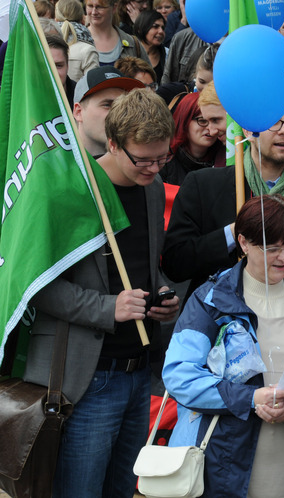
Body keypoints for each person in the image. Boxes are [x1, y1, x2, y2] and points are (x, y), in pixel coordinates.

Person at [23, 88, 179, 498]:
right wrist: (108, 308)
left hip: (139, 371)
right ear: (112, 143)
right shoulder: (71, 190)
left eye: (162, 158)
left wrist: (160, 293)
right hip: (87, 377)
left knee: (123, 489)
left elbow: (142, 264)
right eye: (142, 159)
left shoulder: (151, 188)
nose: (153, 168)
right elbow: (36, 286)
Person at [163, 195, 284, 498]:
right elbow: (179, 376)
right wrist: (251, 398)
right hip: (219, 467)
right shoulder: (210, 300)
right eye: (271, 248)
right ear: (243, 242)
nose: (283, 257)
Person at [163, 101, 284, 304]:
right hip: (213, 317)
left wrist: (275, 264)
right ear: (248, 130)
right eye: (274, 122)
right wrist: (232, 234)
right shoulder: (203, 185)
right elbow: (175, 265)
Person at [73, 66, 145, 157]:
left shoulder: (144, 161)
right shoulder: (59, 162)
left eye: (124, 105)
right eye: (107, 105)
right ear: (78, 112)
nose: (118, 113)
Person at [160, 92, 224, 186]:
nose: (210, 128)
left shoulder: (226, 156)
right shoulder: (163, 160)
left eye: (215, 121)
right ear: (184, 121)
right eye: (202, 121)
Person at [86, 0, 150, 67]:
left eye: (100, 7)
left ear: (114, 8)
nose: (94, 12)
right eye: (90, 6)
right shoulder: (79, 41)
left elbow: (148, 72)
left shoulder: (133, 43)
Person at [55, 0, 99, 81]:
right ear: (82, 19)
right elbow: (93, 84)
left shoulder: (44, 45)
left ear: (56, 19)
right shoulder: (88, 50)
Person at [133, 9, 166, 83]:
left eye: (163, 28)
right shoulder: (128, 52)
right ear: (140, 29)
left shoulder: (168, 54)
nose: (161, 31)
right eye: (155, 26)